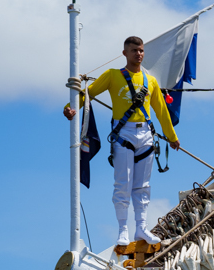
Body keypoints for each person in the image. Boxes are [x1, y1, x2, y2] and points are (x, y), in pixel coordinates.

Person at [63, 36, 179, 246]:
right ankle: (123, 230)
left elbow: (161, 111)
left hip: (145, 134)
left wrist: (172, 137)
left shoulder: (150, 81)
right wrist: (71, 108)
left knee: (143, 185)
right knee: (122, 183)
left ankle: (141, 229)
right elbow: (86, 94)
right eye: (134, 50)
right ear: (125, 53)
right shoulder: (112, 75)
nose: (139, 54)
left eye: (141, 50)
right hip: (122, 133)